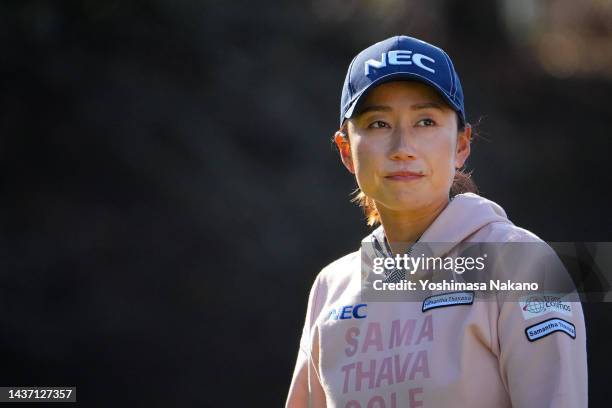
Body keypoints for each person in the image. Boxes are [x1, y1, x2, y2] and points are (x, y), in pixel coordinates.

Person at [285, 35, 587, 407]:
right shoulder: (330, 289)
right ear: (346, 150)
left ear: (461, 145)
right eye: (378, 123)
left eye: (425, 121)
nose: (401, 148)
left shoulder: (524, 264)